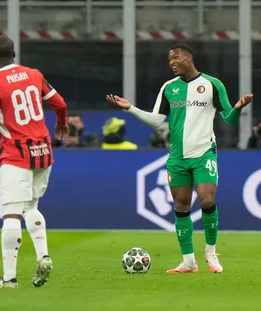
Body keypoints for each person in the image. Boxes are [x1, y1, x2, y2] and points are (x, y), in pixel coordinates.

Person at [107, 43, 253, 274]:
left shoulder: (213, 84)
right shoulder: (168, 88)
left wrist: (237, 108)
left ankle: (211, 253)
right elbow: (157, 121)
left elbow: (229, 119)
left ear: (189, 58)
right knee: (182, 205)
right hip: (177, 157)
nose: (171, 62)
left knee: (206, 200)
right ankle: (188, 262)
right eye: (169, 60)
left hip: (204, 152)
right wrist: (130, 108)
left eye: (175, 57)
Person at [0, 35, 69, 288]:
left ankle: (9, 279)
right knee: (31, 206)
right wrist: (61, 122)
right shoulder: (34, 75)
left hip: (16, 155)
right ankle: (43, 255)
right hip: (43, 152)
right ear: (14, 54)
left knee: (11, 214)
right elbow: (60, 103)